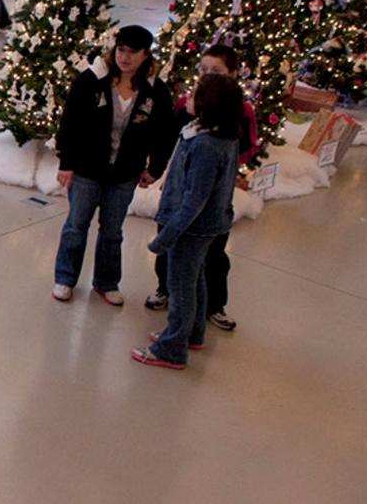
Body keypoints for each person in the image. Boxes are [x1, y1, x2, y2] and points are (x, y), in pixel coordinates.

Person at [52, 25, 176, 305]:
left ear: (146, 55)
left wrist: (155, 168)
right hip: (86, 169)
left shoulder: (154, 91)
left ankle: (107, 282)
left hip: (124, 173)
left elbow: (164, 132)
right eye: (121, 50)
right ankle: (65, 277)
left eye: (133, 52)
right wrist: (66, 163)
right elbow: (70, 123)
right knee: (76, 225)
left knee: (112, 230)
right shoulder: (91, 81)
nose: (125, 57)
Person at [134, 73, 244, 369]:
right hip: (205, 225)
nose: (187, 98)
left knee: (181, 284)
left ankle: (172, 348)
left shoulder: (206, 145)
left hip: (192, 228)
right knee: (194, 279)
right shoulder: (219, 135)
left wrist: (167, 235)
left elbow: (195, 198)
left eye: (194, 94)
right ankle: (192, 333)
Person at [145, 44, 258, 332]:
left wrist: (169, 233)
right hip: (188, 208)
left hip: (195, 221)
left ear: (233, 74)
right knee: (183, 276)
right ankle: (189, 326)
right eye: (203, 71)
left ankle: (177, 340)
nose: (204, 79)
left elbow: (196, 195)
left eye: (215, 71)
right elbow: (176, 148)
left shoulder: (216, 137)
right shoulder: (192, 118)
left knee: (192, 274)